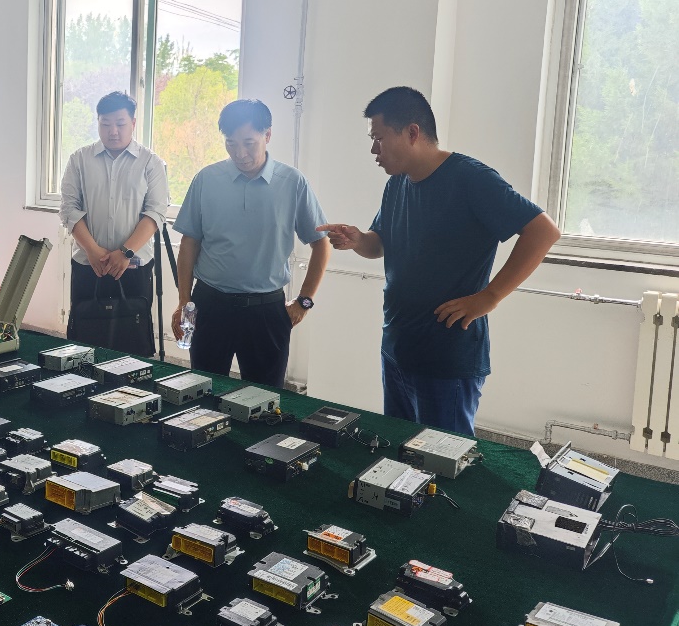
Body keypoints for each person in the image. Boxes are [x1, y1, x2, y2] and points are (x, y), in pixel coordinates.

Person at [318, 86, 560, 435]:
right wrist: (358, 240)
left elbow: (543, 231)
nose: (374, 150)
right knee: (399, 449)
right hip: (398, 348)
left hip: (447, 357)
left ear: (412, 132)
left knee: (442, 457)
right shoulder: (397, 183)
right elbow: (380, 244)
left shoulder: (470, 178)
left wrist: (489, 297)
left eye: (379, 139)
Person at [172, 98, 330, 387]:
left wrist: (304, 301)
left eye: (249, 143)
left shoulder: (292, 183)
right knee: (203, 390)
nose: (240, 153)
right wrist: (184, 300)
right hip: (210, 304)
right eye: (231, 143)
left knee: (264, 398)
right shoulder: (207, 179)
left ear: (267, 135)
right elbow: (189, 242)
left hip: (266, 310)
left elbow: (321, 244)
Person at [59, 91, 168, 356]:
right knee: (85, 341)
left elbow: (155, 213)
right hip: (89, 265)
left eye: (120, 123)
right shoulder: (79, 160)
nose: (113, 131)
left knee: (132, 341)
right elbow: (69, 209)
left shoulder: (151, 163)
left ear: (133, 122)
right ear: (98, 122)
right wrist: (92, 250)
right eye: (105, 124)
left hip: (134, 267)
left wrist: (125, 252)